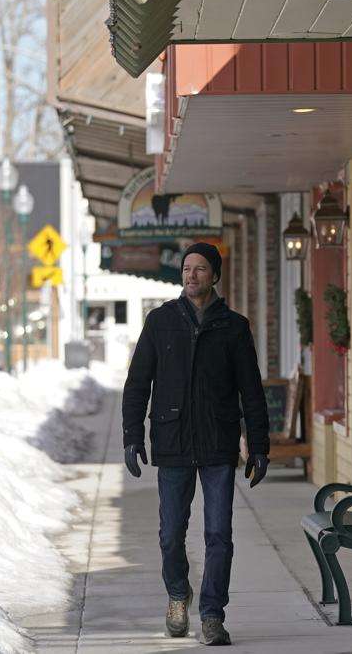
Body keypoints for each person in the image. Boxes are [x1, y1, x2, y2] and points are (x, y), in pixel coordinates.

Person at [122, 241, 270, 647]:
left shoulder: (234, 327)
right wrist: (132, 436)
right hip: (172, 441)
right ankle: (176, 594)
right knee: (171, 533)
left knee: (219, 533)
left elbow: (251, 391)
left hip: (218, 442)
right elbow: (137, 384)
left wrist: (259, 444)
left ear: (215, 275)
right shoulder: (160, 321)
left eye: (201, 269)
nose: (192, 275)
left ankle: (211, 615)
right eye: (187, 268)